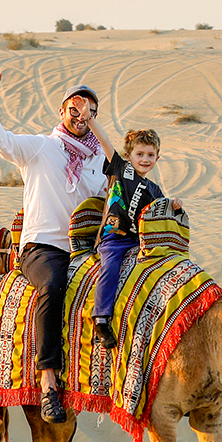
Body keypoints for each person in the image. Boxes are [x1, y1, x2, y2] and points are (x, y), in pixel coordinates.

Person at [0, 58, 108, 423]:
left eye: (90, 111)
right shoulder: (41, 147)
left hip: (85, 249)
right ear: (62, 110)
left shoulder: (98, 159)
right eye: (76, 107)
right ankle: (49, 380)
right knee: (52, 285)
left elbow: (125, 180)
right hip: (42, 248)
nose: (82, 114)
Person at [83, 120, 182, 349]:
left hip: (138, 242)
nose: (145, 159)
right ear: (129, 155)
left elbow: (163, 213)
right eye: (140, 154)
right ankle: (101, 318)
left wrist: (175, 204)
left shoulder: (155, 190)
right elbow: (105, 141)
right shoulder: (120, 168)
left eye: (150, 154)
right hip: (113, 238)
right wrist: (90, 119)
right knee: (110, 266)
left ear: (157, 158)